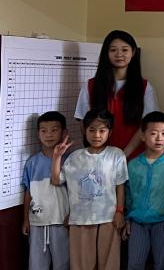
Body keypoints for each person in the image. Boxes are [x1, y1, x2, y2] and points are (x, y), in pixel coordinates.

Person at [52, 109, 128, 270]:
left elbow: (120, 186)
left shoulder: (116, 155)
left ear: (110, 132)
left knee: (109, 263)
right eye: (92, 130)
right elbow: (56, 180)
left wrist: (120, 211)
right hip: (80, 219)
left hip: (108, 218)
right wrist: (57, 157)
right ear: (84, 130)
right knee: (81, 264)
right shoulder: (75, 156)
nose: (96, 135)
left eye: (102, 131)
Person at [75, 30, 158, 159]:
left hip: (134, 158)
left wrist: (123, 155)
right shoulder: (90, 86)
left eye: (125, 50)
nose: (119, 54)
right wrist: (97, 152)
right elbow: (83, 122)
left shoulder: (145, 87)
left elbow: (147, 124)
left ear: (133, 52)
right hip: (100, 158)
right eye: (113, 50)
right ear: (106, 53)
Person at [125, 111, 164, 270]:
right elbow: (128, 193)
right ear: (142, 136)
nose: (159, 138)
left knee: (163, 263)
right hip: (138, 221)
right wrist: (127, 218)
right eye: (153, 133)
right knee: (135, 263)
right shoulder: (133, 165)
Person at [22, 111, 70, 270]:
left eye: (54, 130)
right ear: (38, 134)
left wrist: (71, 215)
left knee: (63, 263)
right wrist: (26, 219)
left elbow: (75, 192)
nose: (49, 135)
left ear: (64, 132)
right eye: (44, 131)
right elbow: (28, 193)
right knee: (36, 264)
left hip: (61, 222)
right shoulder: (31, 163)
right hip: (37, 222)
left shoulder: (69, 161)